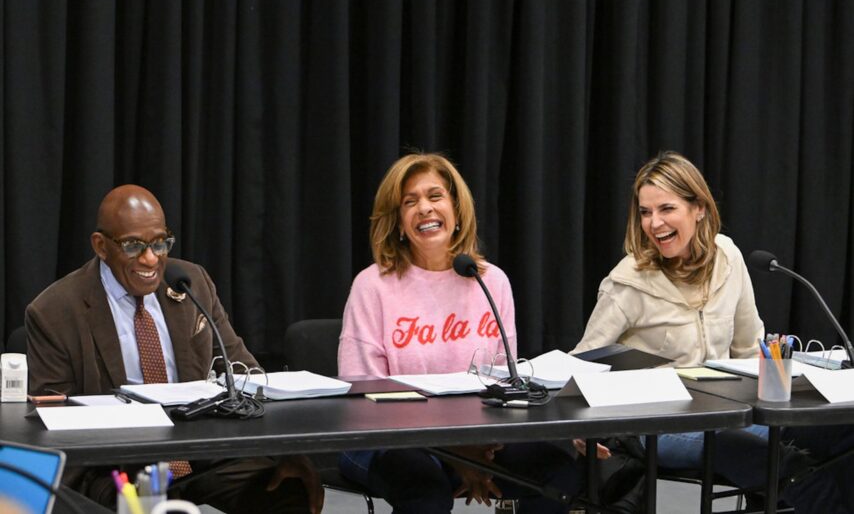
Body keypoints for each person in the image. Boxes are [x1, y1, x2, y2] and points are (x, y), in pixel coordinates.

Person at [572, 151, 853, 512]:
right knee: (781, 462)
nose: (654, 223)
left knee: (841, 434)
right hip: (657, 425)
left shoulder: (728, 257)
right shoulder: (627, 281)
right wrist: (580, 427)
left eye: (666, 209)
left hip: (730, 411)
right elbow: (583, 364)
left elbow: (749, 348)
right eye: (645, 212)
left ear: (699, 208)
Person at [25, 185, 324, 514]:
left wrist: (287, 452)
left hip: (202, 453)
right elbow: (51, 422)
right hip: (118, 464)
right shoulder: (55, 311)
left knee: (287, 491)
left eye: (159, 243)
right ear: (101, 246)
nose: (151, 258)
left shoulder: (191, 282)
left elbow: (245, 374)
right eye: (133, 246)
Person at [337, 152, 583, 513]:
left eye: (435, 196)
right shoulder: (372, 285)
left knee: (558, 474)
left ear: (456, 210)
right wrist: (454, 451)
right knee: (424, 489)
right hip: (385, 438)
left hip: (478, 436)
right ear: (398, 222)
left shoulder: (490, 281)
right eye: (410, 202)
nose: (424, 208)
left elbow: (503, 385)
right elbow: (364, 398)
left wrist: (479, 447)